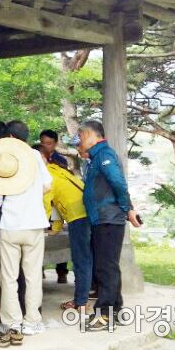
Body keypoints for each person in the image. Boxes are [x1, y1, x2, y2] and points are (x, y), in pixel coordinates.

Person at [0, 121, 51, 348]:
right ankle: (32, 321)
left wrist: (3, 198)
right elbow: (48, 185)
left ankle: (12, 323)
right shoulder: (35, 156)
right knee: (33, 275)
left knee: (8, 277)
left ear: (9, 137)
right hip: (35, 224)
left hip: (10, 225)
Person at [77, 120, 141, 331]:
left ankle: (105, 314)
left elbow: (118, 182)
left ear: (91, 135)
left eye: (81, 136)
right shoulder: (96, 157)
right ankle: (116, 310)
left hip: (108, 219)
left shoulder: (104, 155)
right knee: (108, 267)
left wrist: (127, 208)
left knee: (105, 268)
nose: (80, 141)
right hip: (102, 218)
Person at [33, 145, 91, 314]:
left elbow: (47, 203)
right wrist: (55, 228)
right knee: (87, 259)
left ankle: (81, 302)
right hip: (88, 211)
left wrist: (39, 225)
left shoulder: (45, 175)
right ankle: (84, 298)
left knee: (81, 261)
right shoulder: (58, 169)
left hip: (77, 216)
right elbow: (58, 202)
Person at [39, 129, 69, 282]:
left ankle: (61, 271)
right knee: (40, 236)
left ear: (55, 144)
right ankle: (40, 269)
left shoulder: (60, 161)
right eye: (43, 143)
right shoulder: (36, 157)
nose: (46, 146)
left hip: (56, 203)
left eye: (49, 143)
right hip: (41, 203)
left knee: (57, 233)